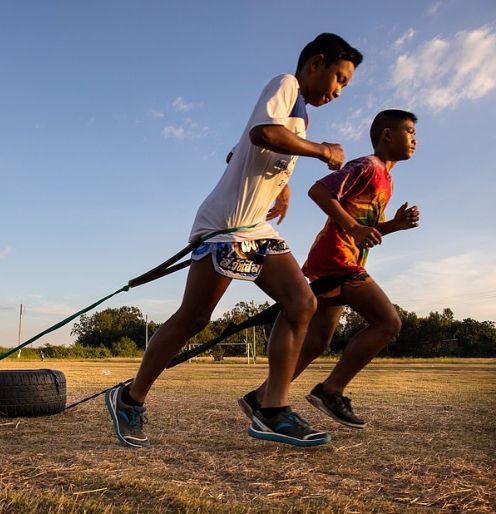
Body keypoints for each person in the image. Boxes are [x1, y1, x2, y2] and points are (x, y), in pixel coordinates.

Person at [105, 33, 363, 448]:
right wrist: (321, 151)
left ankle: (271, 407)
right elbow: (262, 133)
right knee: (193, 318)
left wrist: (281, 184)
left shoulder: (299, 115)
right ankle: (130, 398)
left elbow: (238, 151)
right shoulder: (286, 84)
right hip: (224, 223)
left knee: (302, 303)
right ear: (316, 63)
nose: (338, 90)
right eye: (339, 78)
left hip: (255, 226)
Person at [239, 109, 419, 429]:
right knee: (388, 322)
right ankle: (330, 390)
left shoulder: (386, 180)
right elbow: (319, 190)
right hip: (337, 260)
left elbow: (366, 229)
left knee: (318, 338)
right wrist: (353, 227)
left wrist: (394, 225)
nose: (414, 139)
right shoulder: (367, 166)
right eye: (409, 131)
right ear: (387, 135)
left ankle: (263, 396)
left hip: (342, 259)